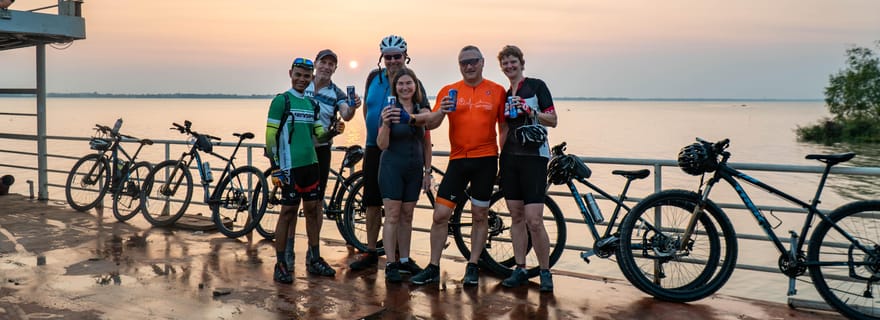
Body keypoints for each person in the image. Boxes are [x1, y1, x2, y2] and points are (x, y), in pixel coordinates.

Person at [409, 45, 506, 286]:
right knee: (440, 215)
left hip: (486, 160)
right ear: (459, 66)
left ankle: (473, 265)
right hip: (458, 160)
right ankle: (433, 266)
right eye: (464, 63)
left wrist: (504, 161)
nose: (469, 66)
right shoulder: (449, 91)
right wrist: (441, 111)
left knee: (479, 214)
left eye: (473, 61)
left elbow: (503, 128)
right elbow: (430, 125)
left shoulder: (497, 91)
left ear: (482, 62)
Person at [349, 35, 430, 272]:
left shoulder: (412, 81)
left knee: (403, 209)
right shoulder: (373, 77)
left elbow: (425, 112)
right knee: (372, 202)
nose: (393, 60)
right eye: (388, 57)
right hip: (375, 146)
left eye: (397, 56)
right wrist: (376, 131)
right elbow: (367, 109)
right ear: (382, 58)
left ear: (405, 57)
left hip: (405, 148)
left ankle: (398, 256)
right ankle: (371, 251)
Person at [277, 49, 362, 272]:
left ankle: (312, 254)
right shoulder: (302, 84)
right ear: (315, 64)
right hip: (294, 152)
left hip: (320, 152)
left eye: (331, 64)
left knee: (315, 205)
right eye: (323, 62)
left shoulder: (337, 93)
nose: (326, 66)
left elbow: (346, 114)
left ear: (335, 69)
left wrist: (353, 106)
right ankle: (288, 249)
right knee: (291, 206)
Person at [265, 57, 337, 284]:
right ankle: (281, 263)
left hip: (311, 165)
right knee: (287, 212)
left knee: (313, 211)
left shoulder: (312, 104)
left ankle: (315, 258)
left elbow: (318, 134)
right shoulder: (281, 101)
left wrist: (332, 133)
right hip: (289, 167)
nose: (302, 80)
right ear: (290, 74)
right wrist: (275, 168)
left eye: (306, 76)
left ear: (311, 78)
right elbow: (270, 137)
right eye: (298, 75)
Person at [496, 45, 558, 292]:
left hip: (534, 158)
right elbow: (502, 127)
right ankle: (520, 269)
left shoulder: (536, 86)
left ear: (522, 62)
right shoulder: (502, 93)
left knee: (534, 220)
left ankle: (545, 272)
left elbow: (553, 120)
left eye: (513, 62)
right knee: (516, 217)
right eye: (505, 64)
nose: (510, 66)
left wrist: (529, 110)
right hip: (510, 158)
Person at [377, 68, 432, 282]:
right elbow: (382, 145)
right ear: (395, 88)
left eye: (409, 83)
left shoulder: (421, 111)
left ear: (415, 86)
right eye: (400, 84)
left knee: (407, 216)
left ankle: (405, 260)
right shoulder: (389, 110)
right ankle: (391, 263)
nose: (405, 87)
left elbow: (426, 143)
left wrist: (427, 172)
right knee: (392, 216)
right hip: (392, 167)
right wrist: (387, 124)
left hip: (414, 169)